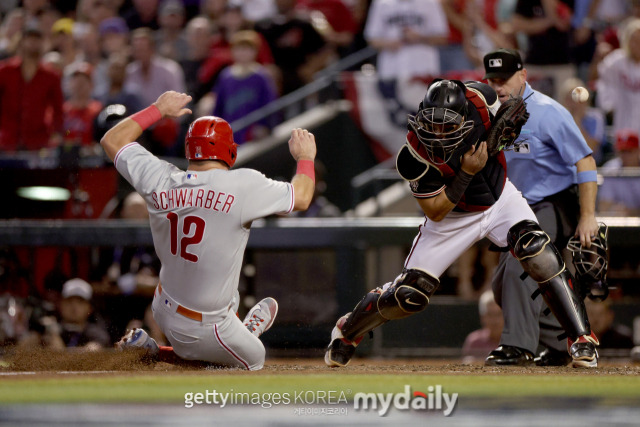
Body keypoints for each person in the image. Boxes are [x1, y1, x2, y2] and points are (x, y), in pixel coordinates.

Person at [324, 79, 600, 369]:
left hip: (498, 198)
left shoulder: (482, 99)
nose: (439, 133)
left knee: (536, 249)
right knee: (409, 295)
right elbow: (437, 211)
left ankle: (581, 338)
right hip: (452, 215)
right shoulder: (413, 156)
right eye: (433, 124)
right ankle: (348, 330)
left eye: (447, 126)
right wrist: (467, 172)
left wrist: (504, 136)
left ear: (466, 116)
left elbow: (512, 113)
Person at [101, 90, 317, 370]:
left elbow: (112, 140)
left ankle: (232, 330)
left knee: (229, 292)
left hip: (162, 308)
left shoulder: (159, 177)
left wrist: (157, 108)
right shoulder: (243, 185)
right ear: (230, 151)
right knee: (253, 361)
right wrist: (306, 157)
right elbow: (301, 197)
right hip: (205, 327)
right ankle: (160, 352)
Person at [481, 48, 600, 367]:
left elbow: (585, 161)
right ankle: (558, 343)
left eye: (504, 79)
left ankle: (517, 346)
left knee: (524, 263)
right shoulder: (489, 115)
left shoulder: (548, 112)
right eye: (491, 80)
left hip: (554, 203)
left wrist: (588, 216)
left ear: (523, 75)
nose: (498, 87)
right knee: (500, 285)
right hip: (516, 210)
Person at [0, 22, 64, 151]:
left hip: (38, 142)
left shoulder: (51, 76)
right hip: (7, 141)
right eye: (29, 38)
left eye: (37, 39)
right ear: (21, 41)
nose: (33, 43)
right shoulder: (4, 71)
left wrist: (57, 133)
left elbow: (58, 110)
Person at [462, 289, 503, 363]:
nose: (495, 321)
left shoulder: (517, 342)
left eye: (499, 314)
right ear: (482, 317)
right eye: (490, 314)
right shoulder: (474, 341)